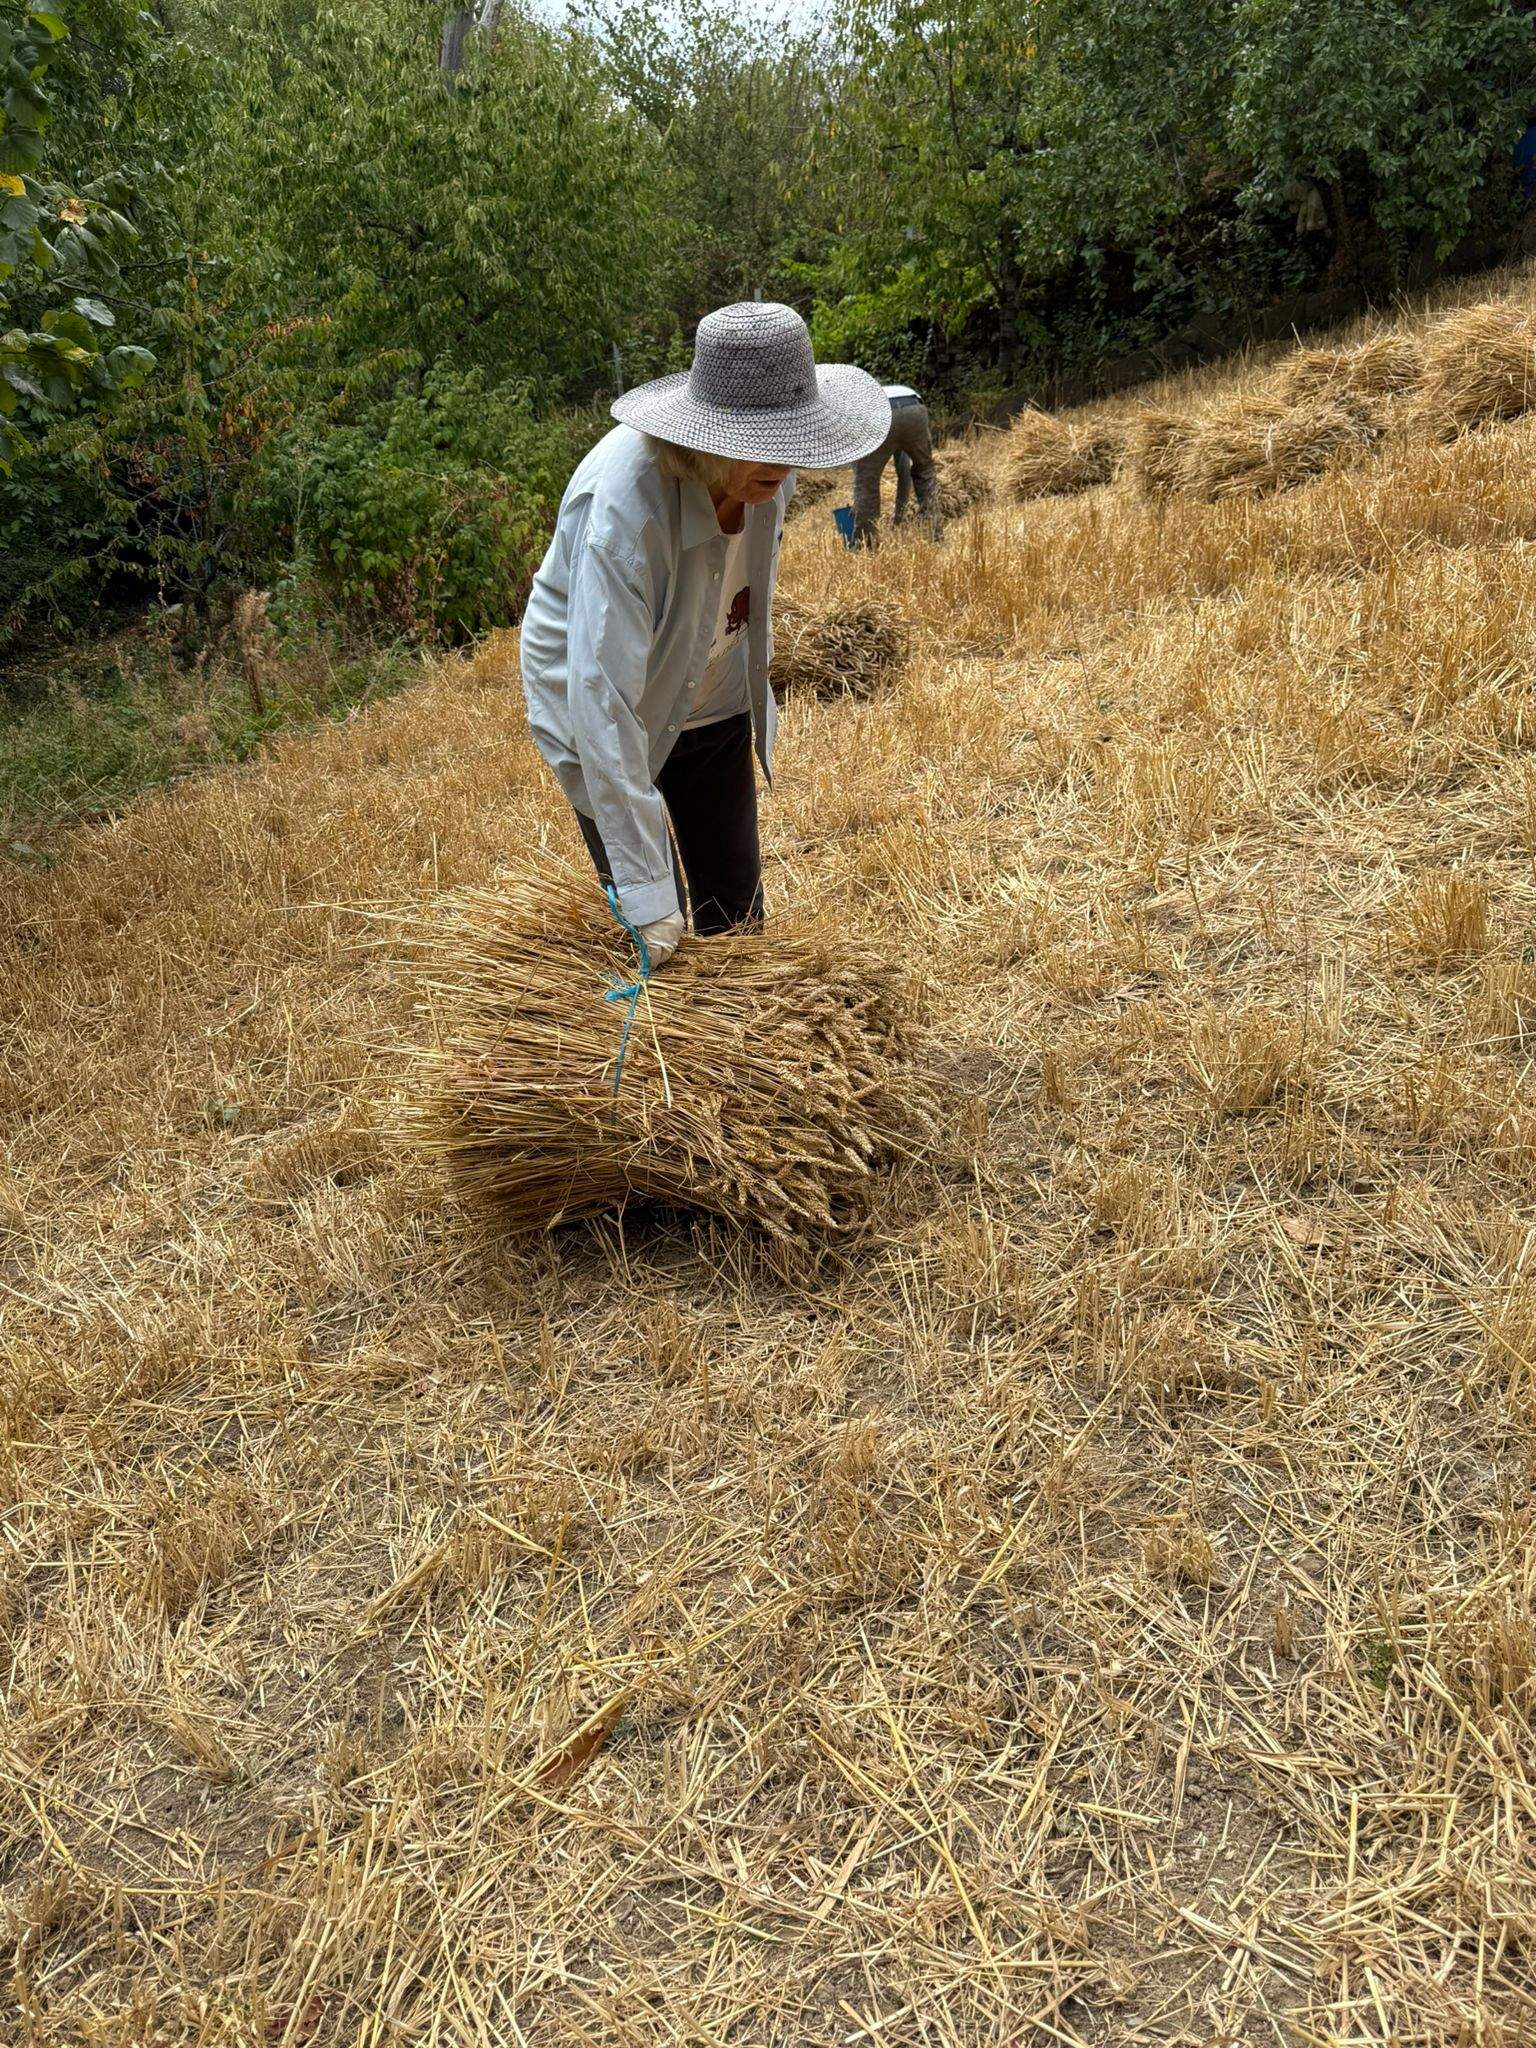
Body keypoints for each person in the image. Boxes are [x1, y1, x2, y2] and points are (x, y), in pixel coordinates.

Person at [519, 302, 888, 967]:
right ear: (707, 437)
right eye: (768, 439)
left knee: (736, 918)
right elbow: (602, 702)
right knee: (660, 925)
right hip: (605, 707)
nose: (789, 458)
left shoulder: (764, 468)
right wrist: (649, 897)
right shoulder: (624, 518)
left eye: (793, 436)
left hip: (711, 687)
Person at [851, 383, 941, 546]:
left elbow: (861, 481)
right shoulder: (874, 399)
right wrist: (898, 517)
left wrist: (858, 506)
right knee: (924, 471)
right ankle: (934, 534)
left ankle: (865, 544)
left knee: (866, 482)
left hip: (878, 416)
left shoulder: (856, 421)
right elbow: (904, 474)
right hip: (913, 409)